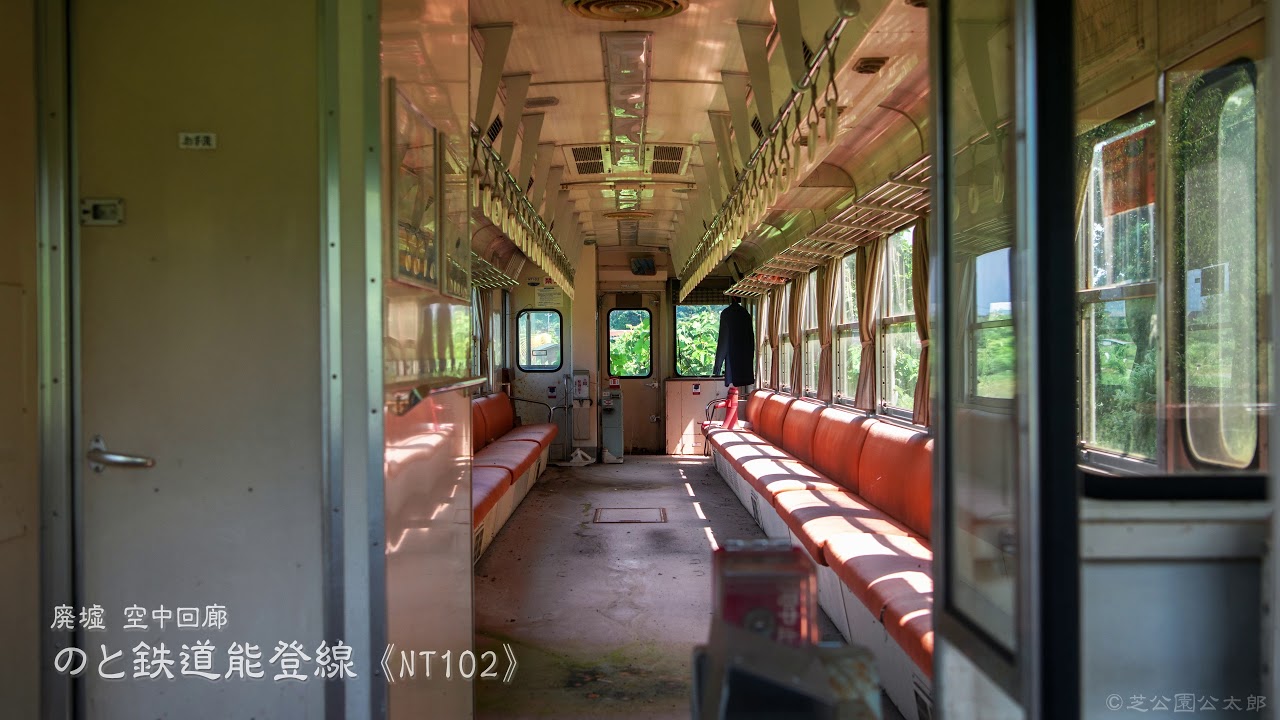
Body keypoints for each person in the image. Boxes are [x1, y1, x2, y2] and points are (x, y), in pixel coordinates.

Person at [713, 297, 755, 428]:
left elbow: (723, 341)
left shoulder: (726, 314)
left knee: (733, 384)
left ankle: (731, 423)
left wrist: (717, 367)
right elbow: (751, 341)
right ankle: (731, 423)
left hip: (731, 360)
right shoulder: (746, 314)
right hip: (745, 360)